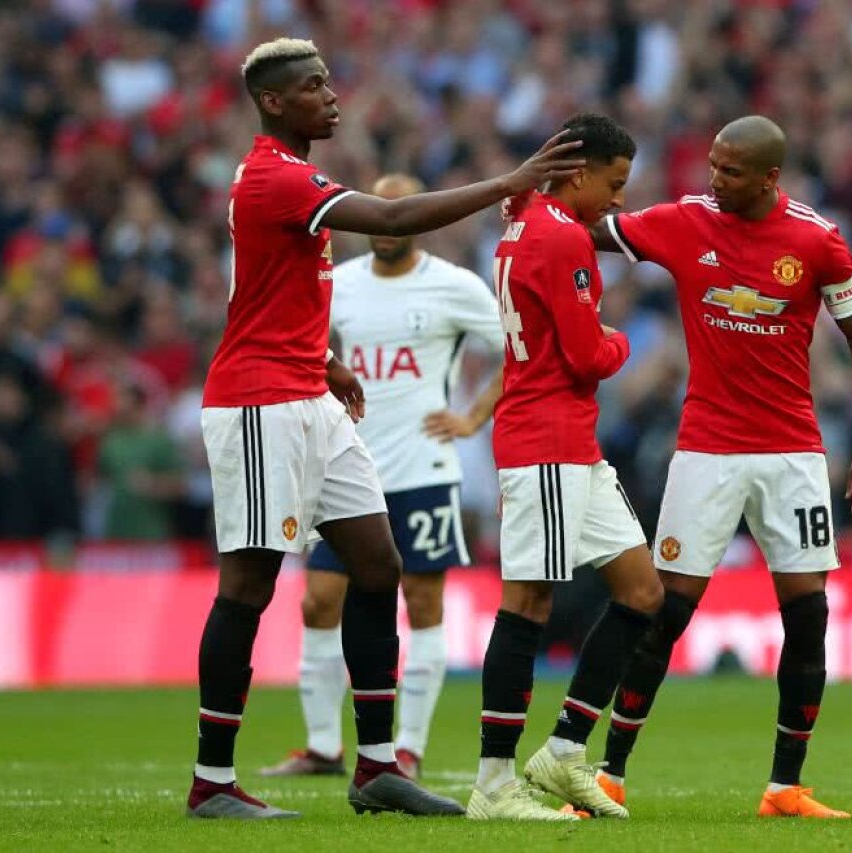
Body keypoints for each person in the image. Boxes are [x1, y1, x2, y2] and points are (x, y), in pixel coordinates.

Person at [187, 37, 583, 820]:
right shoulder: (275, 176)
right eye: (313, 86)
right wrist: (509, 182)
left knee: (377, 564)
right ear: (273, 101)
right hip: (260, 402)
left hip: (309, 392)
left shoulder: (289, 176)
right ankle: (212, 779)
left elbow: (266, 289)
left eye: (328, 81)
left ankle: (375, 767)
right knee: (249, 585)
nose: (331, 95)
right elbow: (395, 215)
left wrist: (324, 359)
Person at [591, 115, 852, 819]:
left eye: (730, 171)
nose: (715, 180)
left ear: (769, 178)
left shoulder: (816, 239)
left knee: (808, 617)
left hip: (792, 454)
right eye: (713, 166)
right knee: (667, 612)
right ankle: (608, 775)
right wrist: (531, 207)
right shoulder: (685, 221)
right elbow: (592, 230)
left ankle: (785, 787)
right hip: (707, 449)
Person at [260, 173, 505, 782]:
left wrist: (474, 416)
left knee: (421, 601)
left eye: (400, 209)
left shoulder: (454, 286)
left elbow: (518, 347)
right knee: (320, 600)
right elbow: (304, 347)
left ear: (418, 217)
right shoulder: (340, 284)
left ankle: (409, 747)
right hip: (347, 469)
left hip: (423, 469)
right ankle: (323, 747)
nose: (387, 222)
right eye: (380, 208)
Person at [465, 113, 663, 822]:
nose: (619, 199)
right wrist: (621, 343)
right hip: (544, 439)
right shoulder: (563, 236)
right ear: (578, 173)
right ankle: (493, 782)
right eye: (614, 182)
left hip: (572, 443)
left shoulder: (523, 219)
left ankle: (564, 749)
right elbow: (586, 357)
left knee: (642, 591)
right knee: (527, 604)